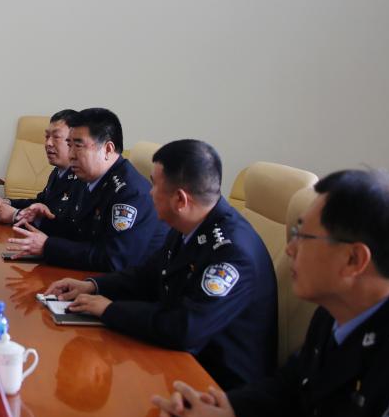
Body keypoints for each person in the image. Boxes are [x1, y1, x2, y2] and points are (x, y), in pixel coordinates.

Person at [152, 168, 389, 417]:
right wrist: (221, 408)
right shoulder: (340, 310)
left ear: (354, 260)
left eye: (303, 236)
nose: (290, 248)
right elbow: (294, 390)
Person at [46, 139, 276, 389]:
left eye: (155, 185)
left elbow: (185, 328)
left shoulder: (232, 253)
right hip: (179, 361)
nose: (149, 193)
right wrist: (93, 286)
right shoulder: (191, 223)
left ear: (180, 200)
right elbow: (147, 275)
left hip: (217, 386)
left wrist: (110, 309)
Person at [7, 107, 166, 271]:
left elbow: (114, 260)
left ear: (107, 149)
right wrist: (41, 220)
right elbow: (77, 230)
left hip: (129, 283)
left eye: (78, 146)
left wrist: (47, 246)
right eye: (69, 145)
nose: (71, 155)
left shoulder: (130, 192)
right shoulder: (88, 178)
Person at [0, 109, 81, 230]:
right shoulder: (58, 172)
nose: (48, 143)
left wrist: (16, 215)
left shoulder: (82, 178)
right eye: (47, 136)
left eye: (56, 137)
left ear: (75, 140)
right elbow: (41, 202)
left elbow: (65, 225)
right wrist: (7, 202)